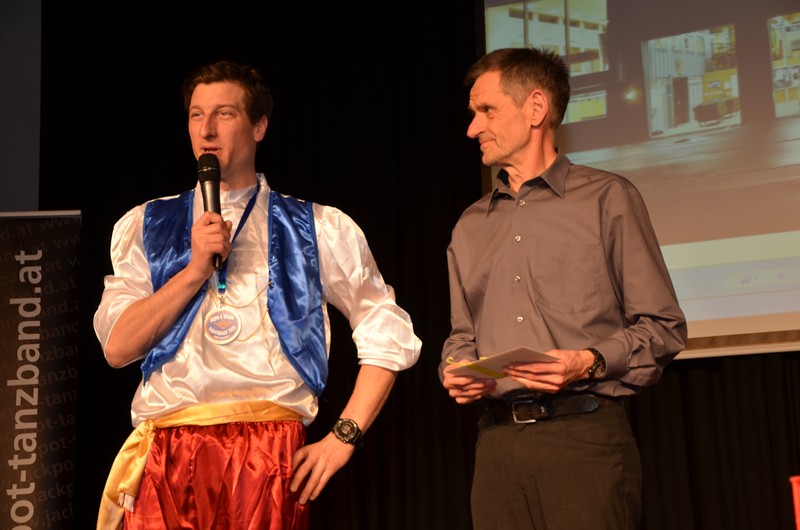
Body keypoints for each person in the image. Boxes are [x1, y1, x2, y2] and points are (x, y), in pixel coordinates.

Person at [93, 60, 421, 530]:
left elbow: (384, 327)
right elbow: (117, 347)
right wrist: (194, 271)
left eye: (224, 113)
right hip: (168, 450)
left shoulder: (316, 226)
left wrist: (343, 437)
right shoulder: (146, 224)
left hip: (265, 455)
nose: (206, 129)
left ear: (259, 126)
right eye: (196, 114)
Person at [439, 47, 687, 530]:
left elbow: (663, 327)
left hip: (583, 442)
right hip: (496, 450)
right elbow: (461, 335)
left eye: (486, 110)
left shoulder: (607, 199)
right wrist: (456, 369)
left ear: (536, 108)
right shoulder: (469, 225)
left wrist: (587, 361)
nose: (472, 128)